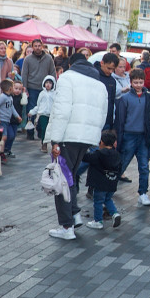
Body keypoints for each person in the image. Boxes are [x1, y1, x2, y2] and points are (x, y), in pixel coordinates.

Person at [46, 52, 109, 237]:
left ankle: (67, 227)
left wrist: (55, 140)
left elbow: (61, 111)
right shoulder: (100, 84)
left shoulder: (67, 78)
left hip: (68, 136)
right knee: (69, 178)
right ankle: (74, 216)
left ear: (71, 64)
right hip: (86, 138)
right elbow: (104, 114)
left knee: (61, 180)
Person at [115, 68, 150, 206]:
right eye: (136, 82)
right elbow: (120, 120)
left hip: (143, 137)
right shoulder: (124, 98)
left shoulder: (149, 97)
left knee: (144, 167)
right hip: (129, 135)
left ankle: (143, 193)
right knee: (122, 163)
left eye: (141, 82)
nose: (138, 85)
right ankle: (110, 186)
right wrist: (119, 138)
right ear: (131, 82)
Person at [83, 130, 123, 230]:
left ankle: (98, 221)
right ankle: (115, 213)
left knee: (98, 202)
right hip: (112, 183)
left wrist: (83, 148)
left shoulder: (99, 154)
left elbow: (86, 158)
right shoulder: (117, 155)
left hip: (100, 184)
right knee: (108, 199)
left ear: (101, 142)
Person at [21, 39, 55, 140]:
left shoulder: (48, 58)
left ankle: (41, 131)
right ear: (32, 47)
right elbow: (24, 74)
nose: (37, 48)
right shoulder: (28, 59)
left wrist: (53, 86)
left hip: (45, 89)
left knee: (43, 111)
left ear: (42, 46)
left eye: (39, 45)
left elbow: (52, 72)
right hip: (31, 88)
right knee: (31, 111)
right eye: (35, 46)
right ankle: (30, 132)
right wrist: (24, 87)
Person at [0, 79, 21, 163]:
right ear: (10, 88)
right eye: (13, 87)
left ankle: (0, 150)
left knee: (6, 136)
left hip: (6, 120)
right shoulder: (3, 97)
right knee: (4, 137)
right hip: (2, 120)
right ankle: (1, 152)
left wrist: (17, 116)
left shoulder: (10, 97)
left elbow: (12, 108)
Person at [92, 53, 119, 129]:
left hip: (107, 120)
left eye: (113, 69)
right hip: (93, 119)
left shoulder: (112, 81)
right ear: (102, 63)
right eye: (109, 68)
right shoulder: (93, 76)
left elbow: (111, 102)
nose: (111, 71)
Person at [30, 75, 56, 153]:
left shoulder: (55, 94)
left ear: (53, 84)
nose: (48, 84)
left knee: (51, 130)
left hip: (52, 115)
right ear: (44, 84)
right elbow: (38, 104)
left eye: (50, 83)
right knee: (43, 129)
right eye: (46, 82)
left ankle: (52, 145)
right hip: (43, 114)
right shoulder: (42, 93)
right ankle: (44, 143)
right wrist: (32, 112)